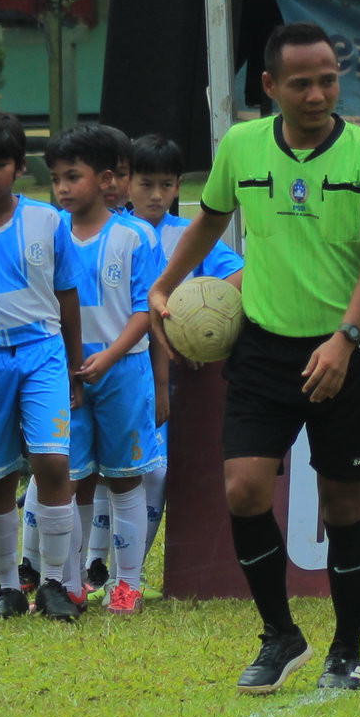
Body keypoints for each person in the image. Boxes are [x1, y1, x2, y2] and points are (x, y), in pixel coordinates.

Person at [150, 20, 360, 695]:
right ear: (269, 86)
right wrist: (166, 282)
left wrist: (343, 340)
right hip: (263, 347)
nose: (318, 93)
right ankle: (279, 633)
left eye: (327, 79)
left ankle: (345, 653)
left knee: (342, 504)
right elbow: (208, 217)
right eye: (301, 83)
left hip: (346, 347)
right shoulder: (240, 146)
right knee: (243, 488)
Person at [0, 109, 85, 621]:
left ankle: (53, 582)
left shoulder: (49, 221)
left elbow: (67, 295)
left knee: (52, 462)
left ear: (19, 166)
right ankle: (7, 589)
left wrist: (75, 365)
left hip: (43, 352)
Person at [50, 125, 167, 614]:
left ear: (104, 180)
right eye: (55, 178)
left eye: (72, 177)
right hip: (68, 374)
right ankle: (73, 582)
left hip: (122, 368)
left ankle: (129, 583)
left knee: (123, 478)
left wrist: (113, 355)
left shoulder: (135, 234)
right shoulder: (51, 232)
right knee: (72, 479)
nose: (61, 188)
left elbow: (148, 307)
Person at [125, 132, 245, 585]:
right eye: (146, 184)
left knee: (157, 473)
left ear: (179, 187)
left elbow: (240, 274)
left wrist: (193, 326)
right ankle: (91, 572)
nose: (157, 195)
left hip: (177, 378)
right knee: (110, 474)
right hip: (123, 367)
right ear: (125, 181)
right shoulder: (114, 232)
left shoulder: (188, 236)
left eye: (166, 185)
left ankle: (129, 575)